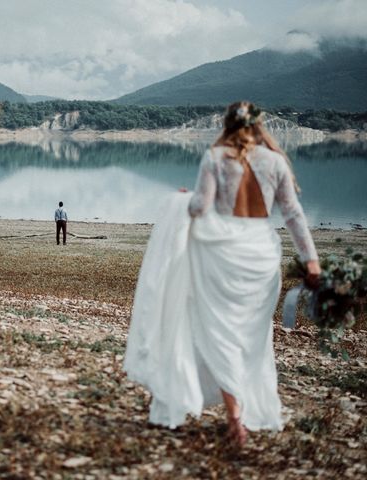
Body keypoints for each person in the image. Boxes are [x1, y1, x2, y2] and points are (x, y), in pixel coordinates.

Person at [124, 101, 321, 447]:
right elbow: (292, 214)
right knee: (252, 336)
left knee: (220, 332)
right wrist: (312, 261)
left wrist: (181, 200)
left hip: (221, 254)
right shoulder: (275, 162)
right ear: (259, 127)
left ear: (227, 125)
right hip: (260, 253)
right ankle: (241, 407)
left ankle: (234, 414)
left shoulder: (216, 157)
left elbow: (201, 207)